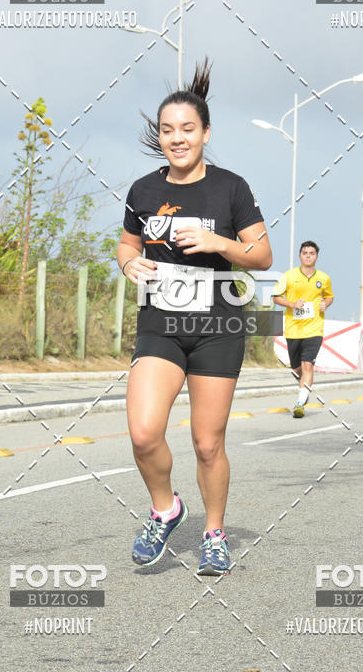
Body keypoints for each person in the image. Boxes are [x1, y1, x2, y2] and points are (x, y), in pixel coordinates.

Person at [117, 59, 272, 576]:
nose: (177, 138)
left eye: (187, 129)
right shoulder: (142, 191)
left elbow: (263, 256)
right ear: (158, 136)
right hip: (160, 320)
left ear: (206, 132)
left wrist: (217, 242)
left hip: (218, 324)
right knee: (143, 433)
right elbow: (125, 243)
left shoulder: (231, 188)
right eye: (167, 130)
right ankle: (166, 509)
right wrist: (128, 263)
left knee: (208, 443)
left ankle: (213, 534)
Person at [272, 241, 334, 418]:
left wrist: (325, 304)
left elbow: (329, 296)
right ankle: (303, 386)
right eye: (305, 253)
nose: (308, 255)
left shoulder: (323, 278)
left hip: (315, 328)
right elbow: (276, 298)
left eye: (311, 253)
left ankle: (300, 403)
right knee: (297, 368)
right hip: (293, 329)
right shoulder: (288, 276)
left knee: (308, 365)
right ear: (300, 256)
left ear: (316, 256)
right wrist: (292, 303)